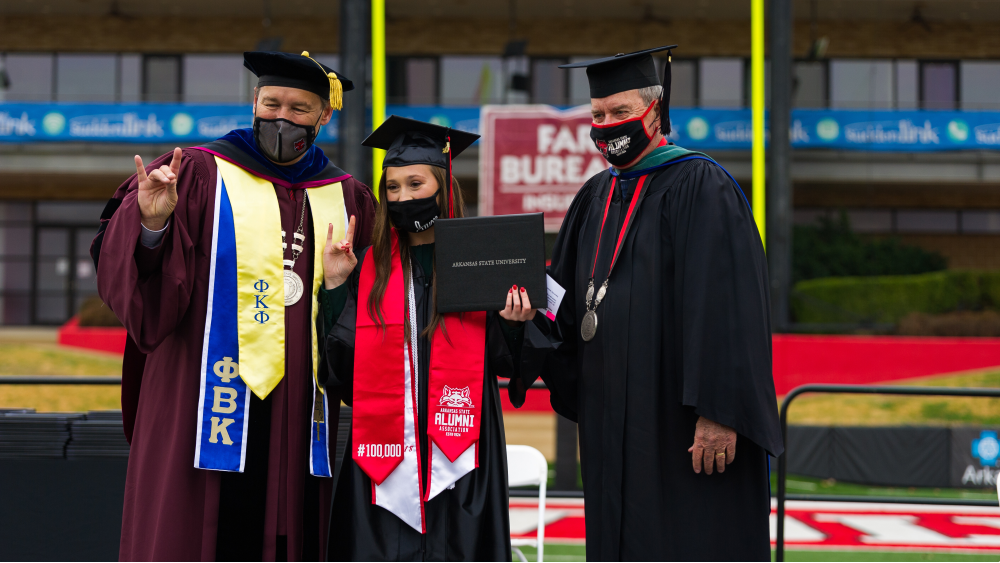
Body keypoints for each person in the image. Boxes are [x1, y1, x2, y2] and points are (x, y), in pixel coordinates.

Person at [91, 51, 376, 561]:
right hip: (200, 396)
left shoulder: (346, 196)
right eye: (272, 104)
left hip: (296, 408)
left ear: (323, 116)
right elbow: (142, 286)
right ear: (254, 101)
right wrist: (152, 224)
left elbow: (370, 305)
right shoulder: (197, 172)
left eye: (299, 109)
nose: (282, 118)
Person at [510, 46, 783, 560]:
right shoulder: (594, 197)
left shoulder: (702, 185)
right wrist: (518, 320)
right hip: (610, 422)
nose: (607, 125)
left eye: (620, 111)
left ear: (655, 112)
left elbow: (729, 309)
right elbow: (560, 303)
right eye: (597, 115)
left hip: (681, 425)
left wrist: (719, 413)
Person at [318, 116, 534, 560]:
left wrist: (515, 323)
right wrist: (337, 287)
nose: (403, 198)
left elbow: (507, 361)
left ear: (443, 186)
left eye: (415, 184)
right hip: (381, 455)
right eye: (392, 188)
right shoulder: (369, 267)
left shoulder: (481, 261)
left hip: (462, 452)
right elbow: (341, 372)